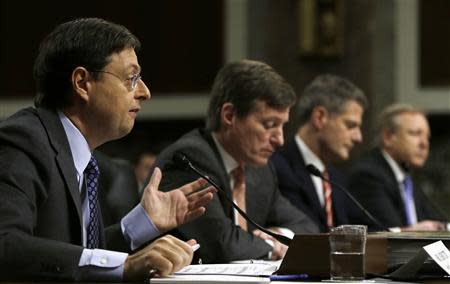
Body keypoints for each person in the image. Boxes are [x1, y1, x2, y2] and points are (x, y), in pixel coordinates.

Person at [0, 18, 215, 281]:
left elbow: (76, 253)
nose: (145, 92)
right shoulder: (22, 141)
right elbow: (6, 244)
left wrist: (142, 224)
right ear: (82, 83)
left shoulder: (85, 160)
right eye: (131, 78)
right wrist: (126, 265)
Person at [152, 59, 319, 264]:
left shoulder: (260, 170)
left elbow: (307, 227)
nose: (280, 140)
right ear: (229, 115)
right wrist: (272, 244)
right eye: (269, 125)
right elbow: (221, 244)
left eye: (282, 126)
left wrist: (277, 233)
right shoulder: (190, 158)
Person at [271, 74, 367, 232]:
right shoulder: (277, 168)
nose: (358, 137)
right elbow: (309, 234)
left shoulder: (335, 178)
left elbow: (364, 228)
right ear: (320, 117)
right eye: (350, 125)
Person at [347, 104, 448, 231]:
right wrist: (415, 231)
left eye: (427, 137)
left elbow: (437, 220)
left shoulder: (405, 177)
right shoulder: (368, 175)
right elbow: (388, 234)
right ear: (388, 137)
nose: (424, 144)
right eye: (415, 133)